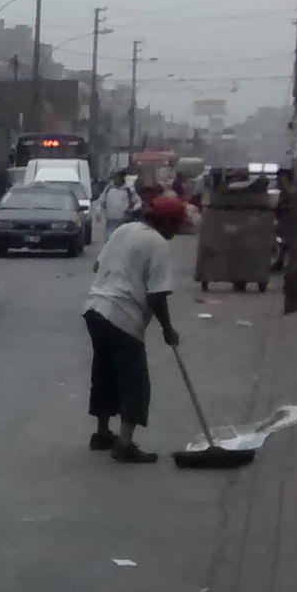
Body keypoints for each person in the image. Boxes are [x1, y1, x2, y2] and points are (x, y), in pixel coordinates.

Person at [82, 192, 186, 464]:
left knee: (104, 371)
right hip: (123, 317)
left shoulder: (125, 230)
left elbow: (97, 264)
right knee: (134, 381)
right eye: (176, 224)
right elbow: (156, 295)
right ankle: (125, 442)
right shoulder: (158, 244)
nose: (178, 230)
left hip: (95, 309)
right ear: (167, 222)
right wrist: (168, 329)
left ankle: (103, 432)